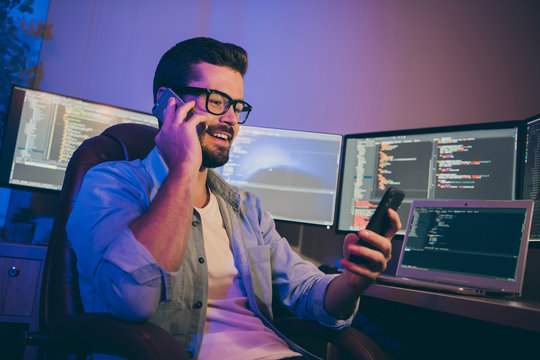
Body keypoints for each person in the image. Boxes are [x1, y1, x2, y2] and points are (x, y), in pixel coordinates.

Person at [67, 37, 400, 360]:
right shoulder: (110, 185)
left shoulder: (245, 209)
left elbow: (307, 290)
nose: (230, 118)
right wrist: (185, 166)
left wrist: (353, 282)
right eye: (216, 100)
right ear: (168, 101)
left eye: (237, 106)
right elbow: (131, 300)